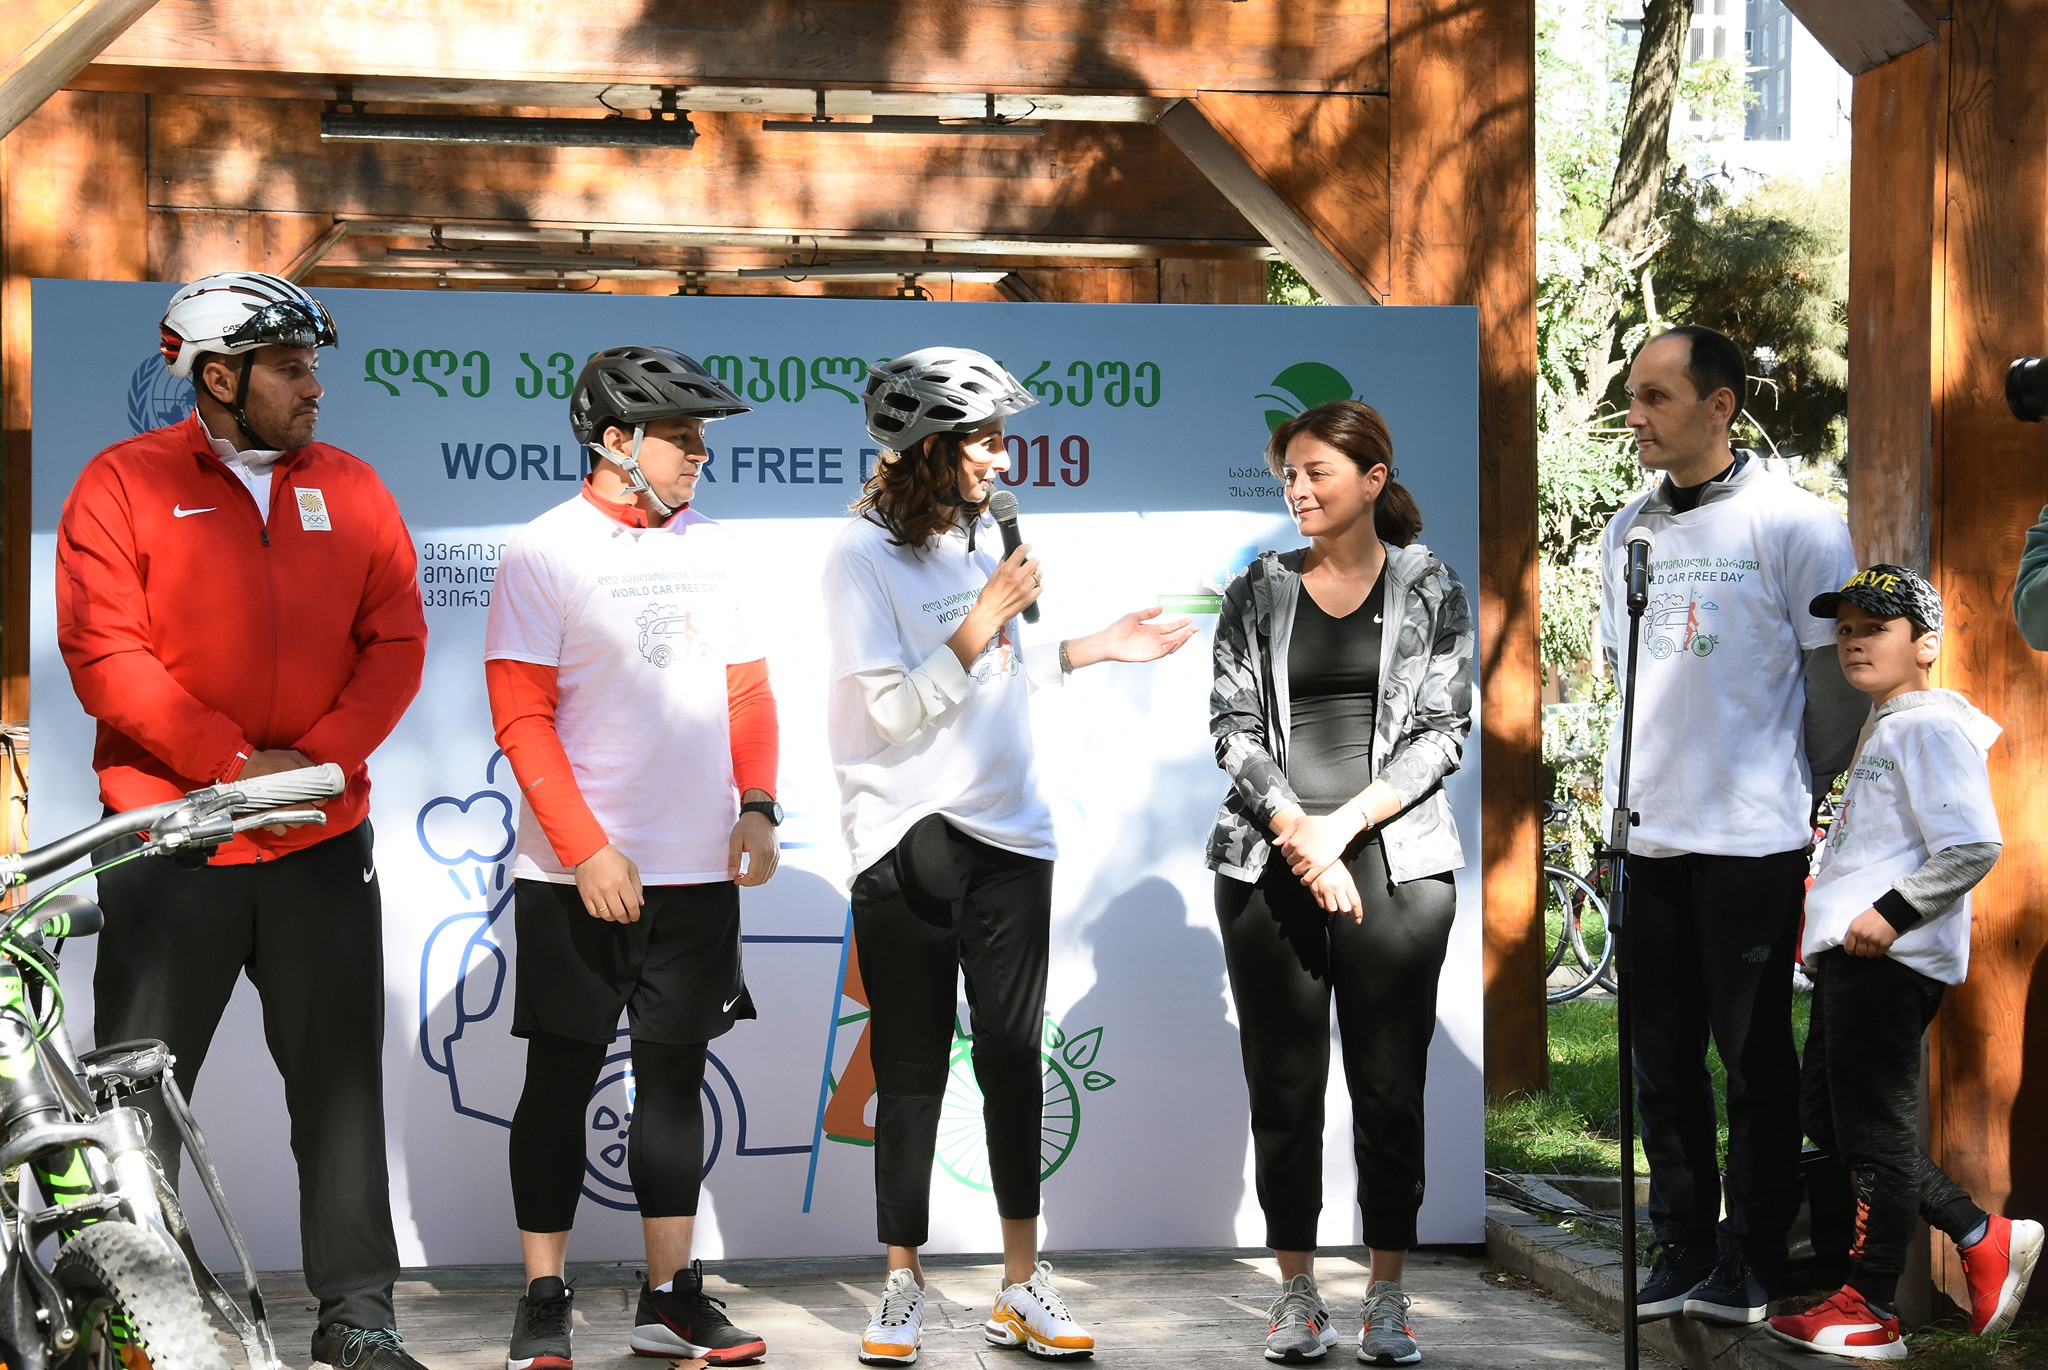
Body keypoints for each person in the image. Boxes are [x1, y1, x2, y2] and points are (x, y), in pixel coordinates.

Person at [55, 271, 430, 1370]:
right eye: (291, 368)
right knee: (137, 1099)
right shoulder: (121, 482)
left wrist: (312, 767)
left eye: (312, 366)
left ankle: (357, 1318)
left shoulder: (352, 486)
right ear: (220, 378)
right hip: (171, 841)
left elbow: (397, 641)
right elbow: (105, 653)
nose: (315, 387)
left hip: (320, 841)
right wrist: (231, 767)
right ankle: (125, 1324)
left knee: (339, 1090)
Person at [821, 346, 1193, 1365]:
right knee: (908, 1072)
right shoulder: (858, 557)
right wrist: (983, 617)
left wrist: (1089, 647)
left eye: (999, 438)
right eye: (982, 439)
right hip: (905, 840)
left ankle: (1020, 1283)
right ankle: (901, 1285)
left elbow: (1001, 675)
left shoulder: (984, 534)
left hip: (1013, 838)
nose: (1001, 456)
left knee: (1013, 1061)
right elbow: (892, 711)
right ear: (926, 445)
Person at [484, 346, 781, 1370]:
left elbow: (747, 690)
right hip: (577, 874)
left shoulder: (717, 547)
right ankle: (542, 1298)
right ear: (616, 441)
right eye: (680, 437)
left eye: (702, 438)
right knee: (559, 1079)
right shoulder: (543, 549)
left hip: (696, 873)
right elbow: (520, 716)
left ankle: (669, 1300)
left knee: (674, 1082)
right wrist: (587, 848)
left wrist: (757, 804)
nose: (700, 455)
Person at [1599, 325, 1863, 1325]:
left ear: (1720, 406)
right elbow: (1628, 673)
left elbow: (1831, 686)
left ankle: (1752, 1258)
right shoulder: (1625, 529)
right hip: (1643, 837)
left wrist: (1797, 787)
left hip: (1750, 840)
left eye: (1655, 397)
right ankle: (1681, 1244)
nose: (1634, 415)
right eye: (1632, 396)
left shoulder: (1796, 523)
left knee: (1752, 1061)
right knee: (1659, 1061)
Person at [1208, 400, 1474, 1368]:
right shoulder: (1257, 588)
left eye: (1316, 471)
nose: (1297, 489)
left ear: (1372, 478)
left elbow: (1442, 731)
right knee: (1283, 1087)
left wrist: (1339, 830)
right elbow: (1230, 725)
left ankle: (1387, 1294)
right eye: (1288, 473)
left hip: (1395, 867)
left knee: (1388, 1087)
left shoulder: (1430, 585)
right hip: (1267, 866)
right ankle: (1295, 1293)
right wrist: (1298, 832)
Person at [1766, 566, 2042, 1360]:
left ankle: (1872, 1306)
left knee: (1875, 1131)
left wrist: (1888, 915)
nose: (1854, 642)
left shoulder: (1929, 727)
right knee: (1829, 1117)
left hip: (1887, 959)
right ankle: (1978, 1233)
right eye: (1846, 630)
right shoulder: (1887, 726)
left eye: (1875, 628)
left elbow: (1973, 844)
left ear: (1925, 644)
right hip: (1852, 959)